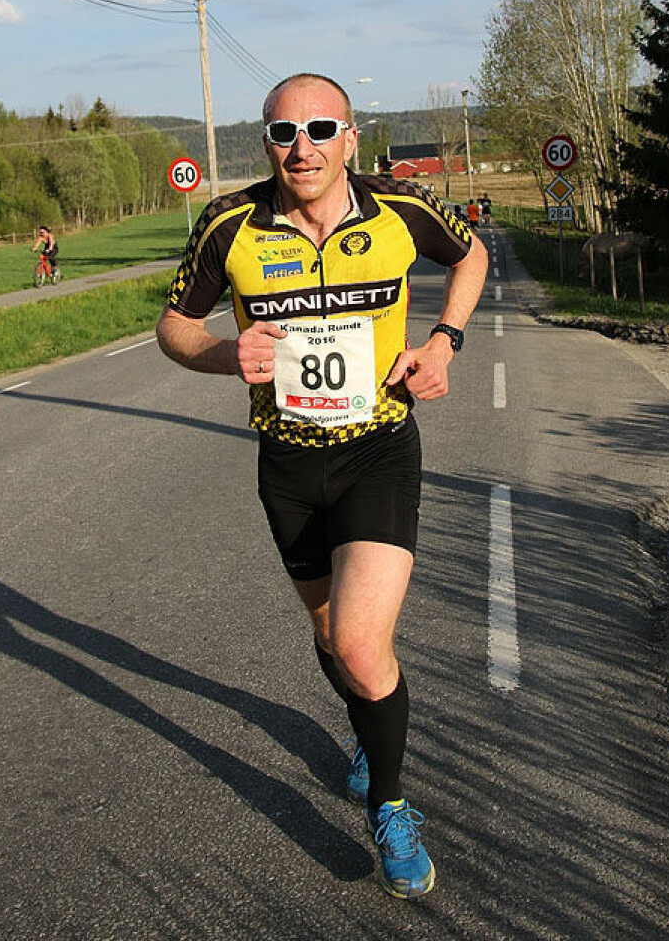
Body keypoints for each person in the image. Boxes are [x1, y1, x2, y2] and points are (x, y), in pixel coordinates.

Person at [155, 73, 487, 900]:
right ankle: (369, 730)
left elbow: (471, 254)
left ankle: (390, 804)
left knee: (362, 647)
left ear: (350, 138)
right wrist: (224, 354)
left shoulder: (399, 209)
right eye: (283, 133)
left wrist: (443, 341)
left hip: (378, 450)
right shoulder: (229, 224)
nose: (302, 148)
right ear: (266, 141)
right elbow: (174, 327)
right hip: (288, 464)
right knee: (333, 633)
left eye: (320, 129)